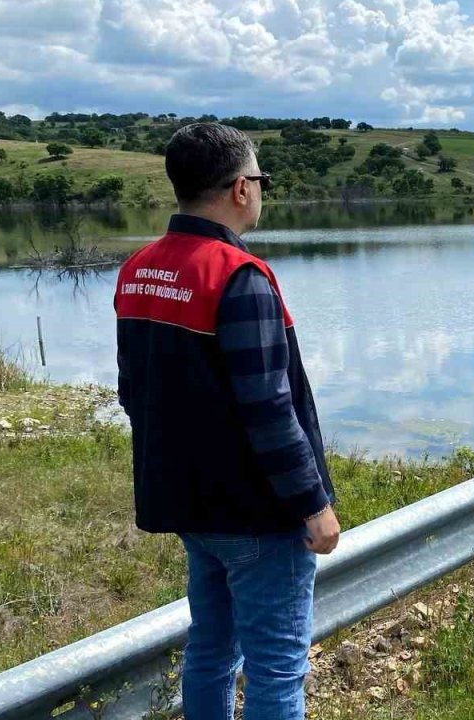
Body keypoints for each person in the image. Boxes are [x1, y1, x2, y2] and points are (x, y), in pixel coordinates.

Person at [114, 122, 340, 720]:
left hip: (191, 506)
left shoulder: (138, 269)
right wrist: (313, 505)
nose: (261, 192)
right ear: (241, 189)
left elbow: (133, 392)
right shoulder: (239, 275)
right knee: (277, 669)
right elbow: (269, 409)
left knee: (211, 651)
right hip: (258, 516)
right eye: (260, 180)